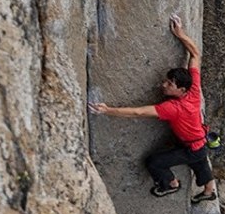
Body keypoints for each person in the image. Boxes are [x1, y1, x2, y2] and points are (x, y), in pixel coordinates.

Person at [90, 15, 217, 203]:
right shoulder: (193, 89)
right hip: (198, 141)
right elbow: (195, 54)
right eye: (167, 80)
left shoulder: (173, 108)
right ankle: (209, 191)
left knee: (155, 162)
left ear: (181, 90)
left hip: (192, 145)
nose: (164, 84)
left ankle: (170, 184)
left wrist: (107, 110)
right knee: (199, 159)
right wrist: (180, 34)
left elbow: (139, 112)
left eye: (170, 84)